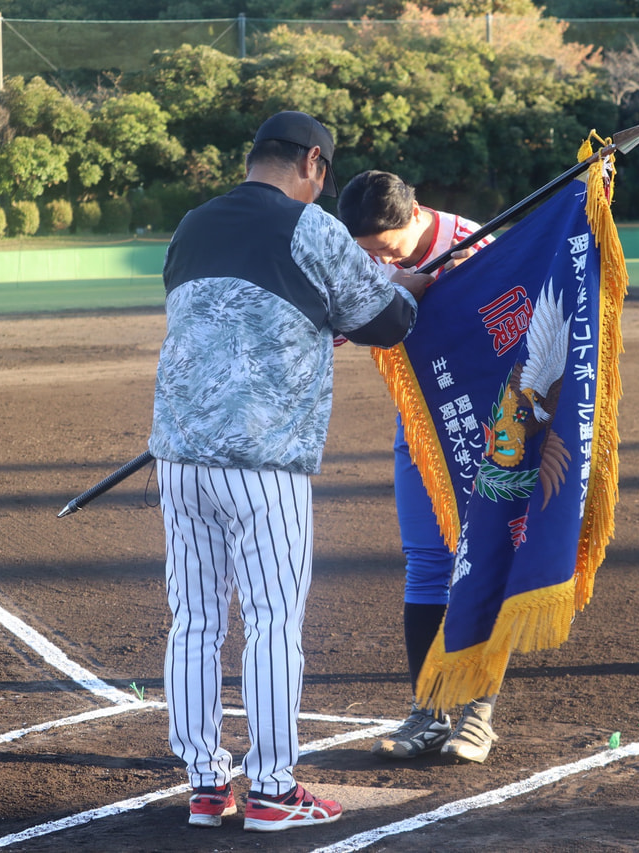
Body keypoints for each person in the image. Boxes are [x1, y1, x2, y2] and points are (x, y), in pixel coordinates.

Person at [148, 112, 429, 832]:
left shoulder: (192, 224)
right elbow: (385, 320)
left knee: (196, 620)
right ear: (314, 163)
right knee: (274, 620)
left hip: (178, 457)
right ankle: (273, 790)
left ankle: (206, 785)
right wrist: (406, 284)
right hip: (264, 463)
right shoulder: (311, 227)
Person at [335, 169, 501, 764]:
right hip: (421, 428)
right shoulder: (359, 258)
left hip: (491, 432)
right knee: (427, 563)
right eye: (366, 251)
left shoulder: (474, 242)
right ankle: (428, 710)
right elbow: (337, 330)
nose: (376, 258)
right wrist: (396, 290)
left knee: (479, 561)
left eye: (386, 248)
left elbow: (523, 326)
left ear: (415, 217)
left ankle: (478, 713)